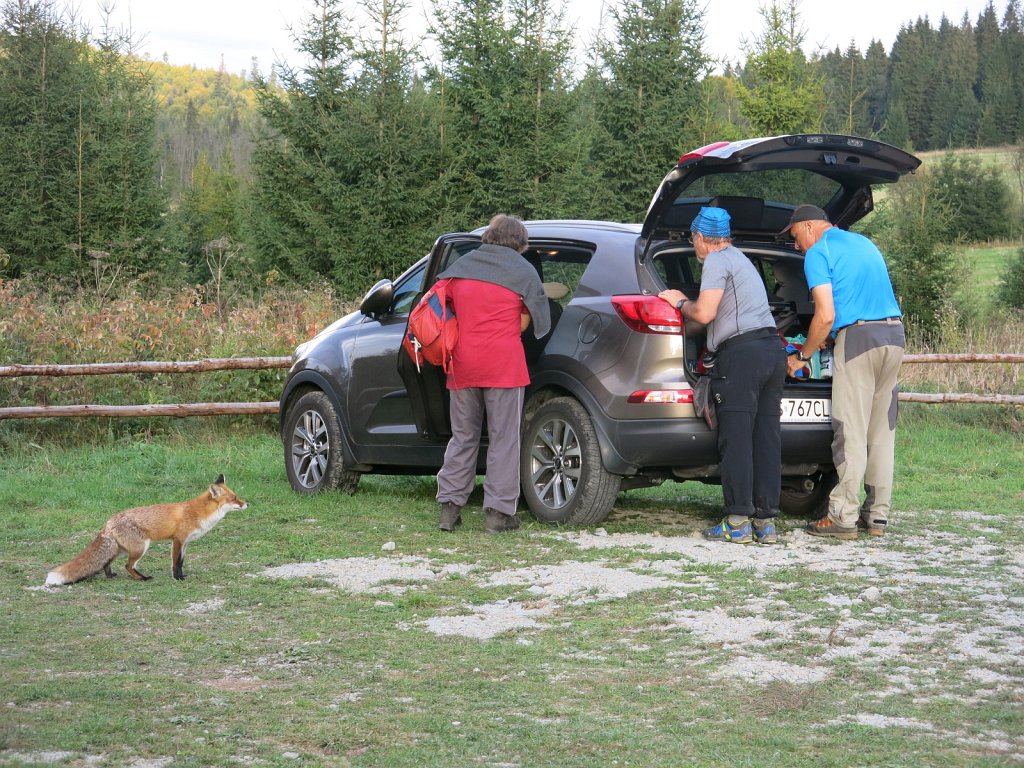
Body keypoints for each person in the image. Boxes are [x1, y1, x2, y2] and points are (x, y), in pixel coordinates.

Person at [659, 206, 787, 545]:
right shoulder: (742, 259)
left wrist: (678, 301)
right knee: (765, 437)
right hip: (772, 352)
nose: (694, 246)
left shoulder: (717, 260)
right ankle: (765, 523)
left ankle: (736, 522)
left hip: (742, 356)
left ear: (701, 238)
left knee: (737, 437)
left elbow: (704, 312)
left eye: (692, 239)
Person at [782, 204, 904, 540]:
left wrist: (802, 356)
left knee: (849, 429)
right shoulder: (863, 243)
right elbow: (859, 300)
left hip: (859, 340)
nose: (797, 246)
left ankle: (842, 517)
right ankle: (876, 516)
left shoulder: (818, 253)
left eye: (795, 238)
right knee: (881, 431)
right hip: (894, 336)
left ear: (808, 228)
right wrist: (831, 339)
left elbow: (823, 315)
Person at [433, 214, 550, 534]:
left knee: (463, 437)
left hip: (462, 364)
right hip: (503, 366)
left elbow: (440, 309)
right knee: (503, 441)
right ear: (520, 244)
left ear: (488, 236)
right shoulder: (522, 271)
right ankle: (499, 514)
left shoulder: (461, 268)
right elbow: (528, 324)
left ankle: (449, 508)